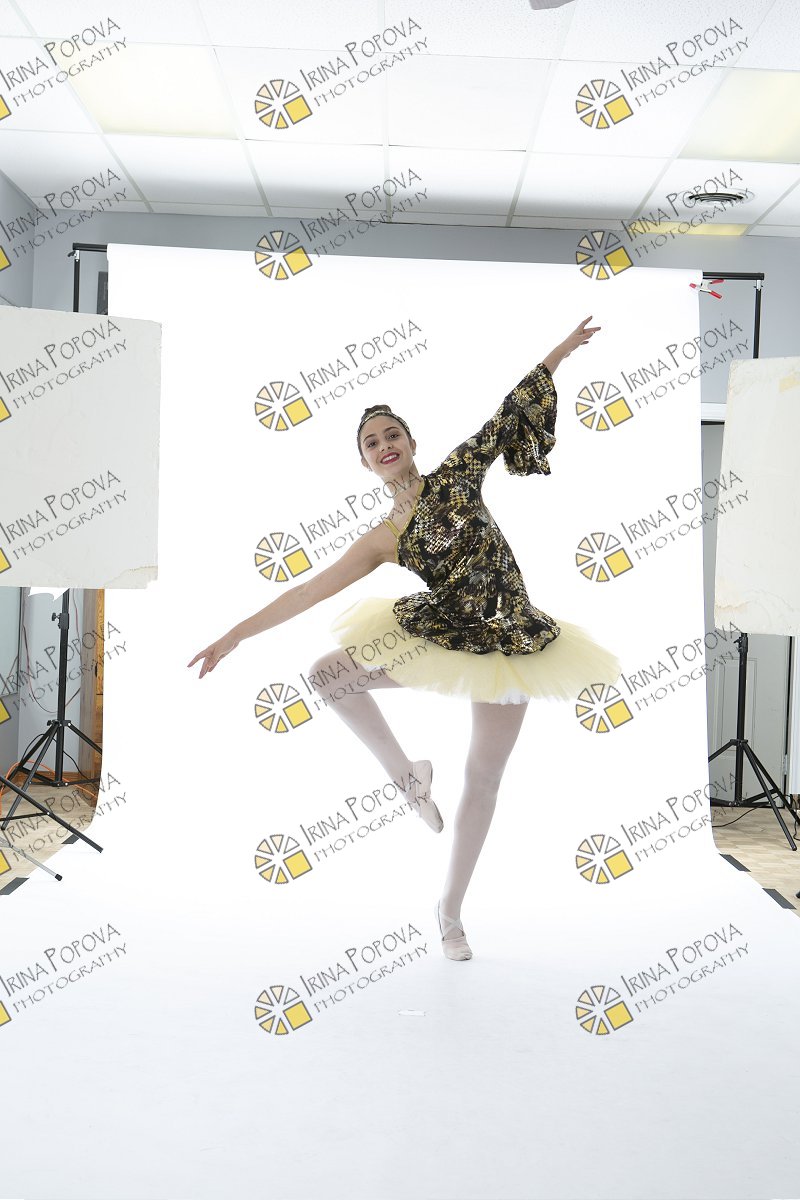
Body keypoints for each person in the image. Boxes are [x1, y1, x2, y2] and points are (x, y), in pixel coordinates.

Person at [187, 316, 621, 962]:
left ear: (413, 442)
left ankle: (450, 914)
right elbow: (307, 591)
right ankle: (407, 777)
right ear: (364, 462)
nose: (384, 445)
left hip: (508, 641)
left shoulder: (457, 474)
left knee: (483, 778)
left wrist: (561, 350)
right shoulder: (383, 539)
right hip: (442, 634)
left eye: (392, 434)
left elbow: (509, 413)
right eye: (371, 442)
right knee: (329, 672)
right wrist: (234, 635)